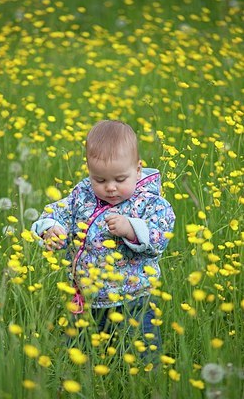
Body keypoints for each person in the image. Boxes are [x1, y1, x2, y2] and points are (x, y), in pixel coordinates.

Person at [31, 120, 175, 363]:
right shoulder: (82, 193)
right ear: (89, 171)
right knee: (80, 355)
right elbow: (58, 212)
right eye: (100, 180)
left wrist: (131, 228)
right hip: (87, 299)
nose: (110, 188)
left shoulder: (150, 202)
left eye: (120, 179)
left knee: (141, 355)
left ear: (138, 170)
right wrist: (50, 228)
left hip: (133, 299)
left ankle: (145, 383)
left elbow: (159, 236)